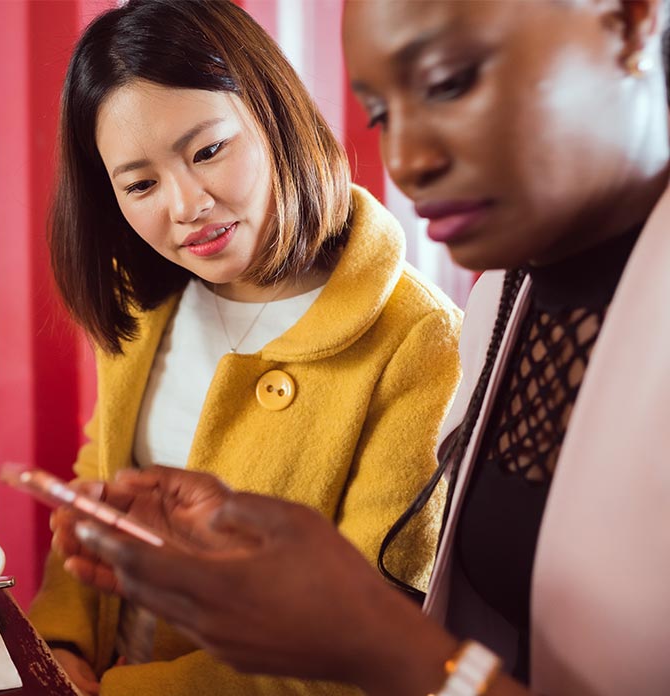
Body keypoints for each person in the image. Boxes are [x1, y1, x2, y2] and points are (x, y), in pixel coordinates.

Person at [52, 0, 670, 694]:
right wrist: (57, 650)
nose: (404, 161)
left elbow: (404, 634)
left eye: (448, 81)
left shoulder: (432, 332)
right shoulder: (506, 294)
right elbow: (479, 647)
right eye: (379, 113)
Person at [29, 1, 463, 695]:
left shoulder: (419, 341)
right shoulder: (148, 301)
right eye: (140, 184)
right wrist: (56, 649)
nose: (186, 204)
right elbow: (97, 497)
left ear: (273, 115)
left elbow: (365, 637)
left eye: (207, 151)